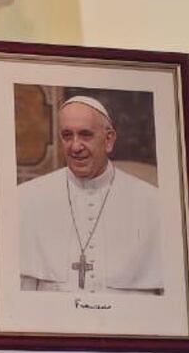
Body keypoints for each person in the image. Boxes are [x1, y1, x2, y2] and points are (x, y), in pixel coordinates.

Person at [18, 96, 164, 296]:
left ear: (109, 139)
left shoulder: (153, 204)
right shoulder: (27, 199)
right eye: (67, 135)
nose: (75, 146)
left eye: (85, 135)